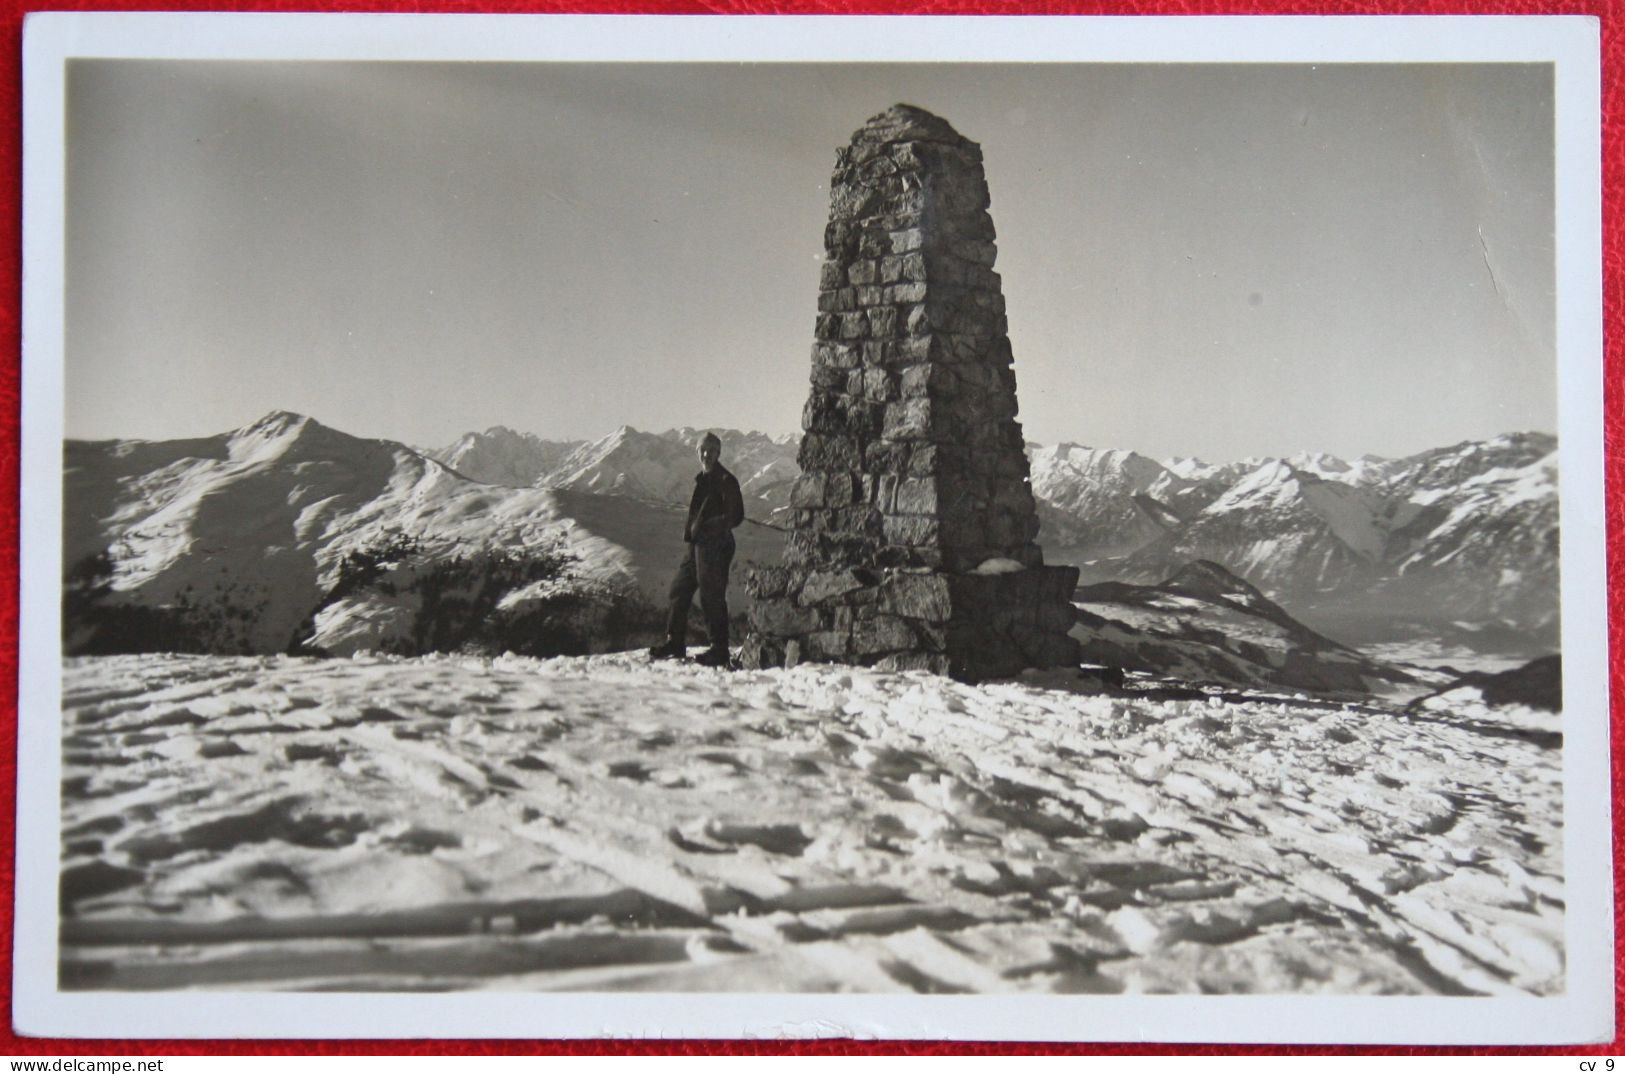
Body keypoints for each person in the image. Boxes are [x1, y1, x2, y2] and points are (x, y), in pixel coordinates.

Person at [648, 431, 745, 667]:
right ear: (697, 452)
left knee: (711, 596)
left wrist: (714, 526)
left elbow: (737, 515)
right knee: (679, 590)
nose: (706, 455)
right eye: (703, 450)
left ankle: (719, 649)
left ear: (719, 453)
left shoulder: (725, 480)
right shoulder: (703, 478)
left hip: (715, 544)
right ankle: (675, 642)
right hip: (697, 545)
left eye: (712, 451)